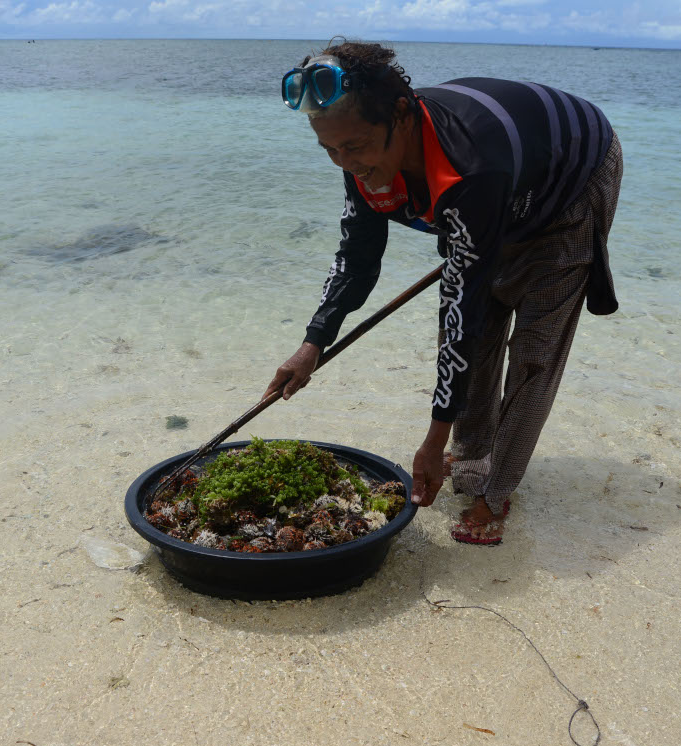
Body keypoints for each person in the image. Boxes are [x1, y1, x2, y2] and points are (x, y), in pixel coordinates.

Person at [263, 40, 623, 545]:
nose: (345, 163)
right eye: (330, 150)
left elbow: (461, 308)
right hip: (505, 186)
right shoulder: (358, 156)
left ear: (403, 116)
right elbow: (357, 258)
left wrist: (430, 440)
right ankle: (473, 455)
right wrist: (312, 343)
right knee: (479, 310)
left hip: (572, 180)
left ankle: (494, 492)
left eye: (356, 147)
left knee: (532, 350)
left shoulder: (472, 164)